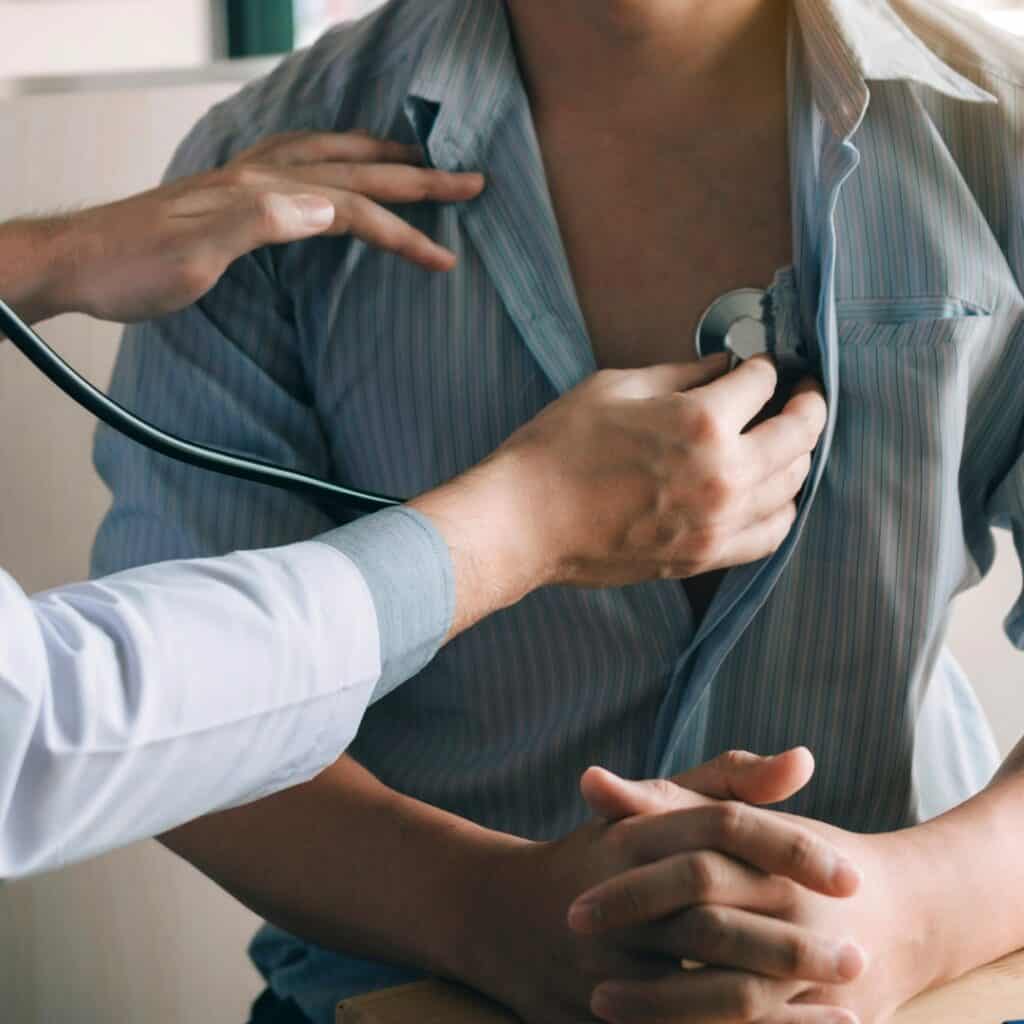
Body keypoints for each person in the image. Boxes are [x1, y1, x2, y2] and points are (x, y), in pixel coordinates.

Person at [89, 0, 1024, 1022]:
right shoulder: (254, 172)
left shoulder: (1001, 130)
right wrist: (484, 910)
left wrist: (917, 910)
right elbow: (166, 719)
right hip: (408, 988)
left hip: (920, 982)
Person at [0, 128, 825, 881]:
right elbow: (45, 732)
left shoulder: (949, 114)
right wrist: (528, 521)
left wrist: (39, 259)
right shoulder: (283, 129)